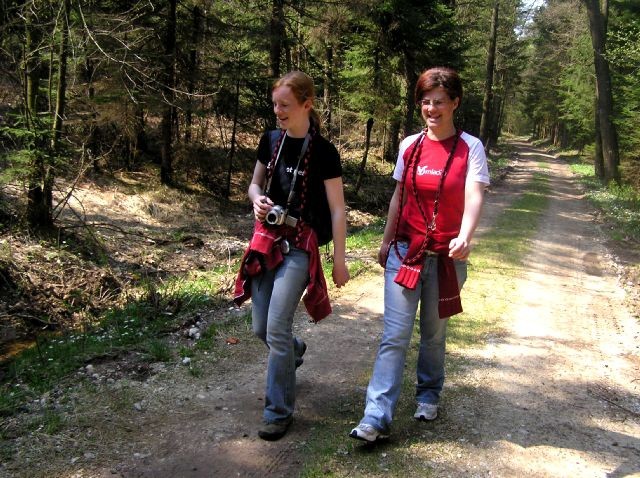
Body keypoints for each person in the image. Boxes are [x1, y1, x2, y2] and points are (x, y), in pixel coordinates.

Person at [349, 67, 490, 443]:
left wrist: (465, 235)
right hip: (405, 252)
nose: (432, 109)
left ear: (455, 103)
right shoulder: (409, 145)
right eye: (426, 102)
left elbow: (475, 194)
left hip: (447, 257)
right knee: (394, 335)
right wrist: (385, 240)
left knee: (432, 333)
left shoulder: (470, 148)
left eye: (439, 102)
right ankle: (376, 416)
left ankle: (428, 394)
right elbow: (399, 196)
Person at [234, 70, 350, 441]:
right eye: (274, 105)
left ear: (306, 104)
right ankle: (294, 350)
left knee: (276, 328)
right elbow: (254, 185)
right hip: (267, 240)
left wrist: (340, 261)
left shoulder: (325, 152)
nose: (278, 111)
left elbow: (337, 210)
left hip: (301, 245)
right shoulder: (269, 141)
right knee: (261, 329)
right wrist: (256, 200)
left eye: (285, 105)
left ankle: (278, 411)